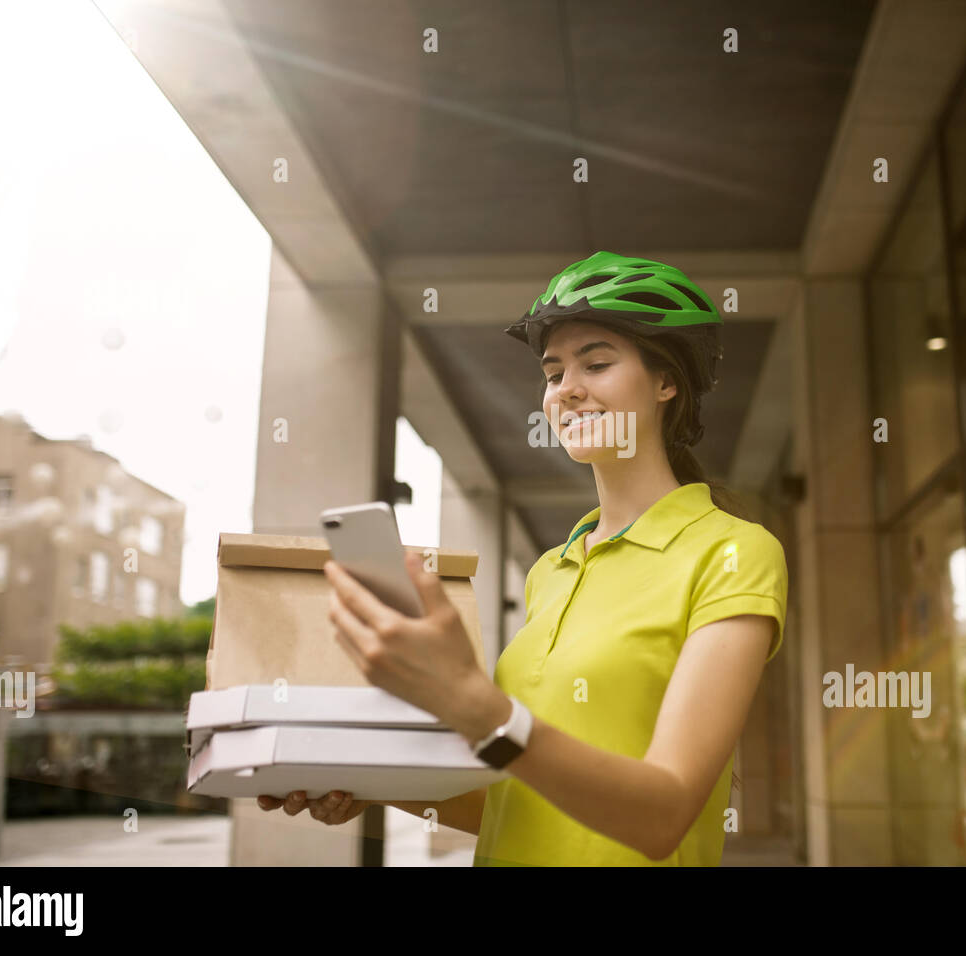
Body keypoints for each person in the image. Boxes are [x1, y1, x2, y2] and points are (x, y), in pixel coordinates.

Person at [260, 251, 789, 865]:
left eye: (596, 363)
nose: (568, 390)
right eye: (553, 372)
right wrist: (370, 786)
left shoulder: (733, 551)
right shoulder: (549, 571)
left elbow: (664, 814)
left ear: (667, 382)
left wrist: (475, 704)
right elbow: (519, 802)